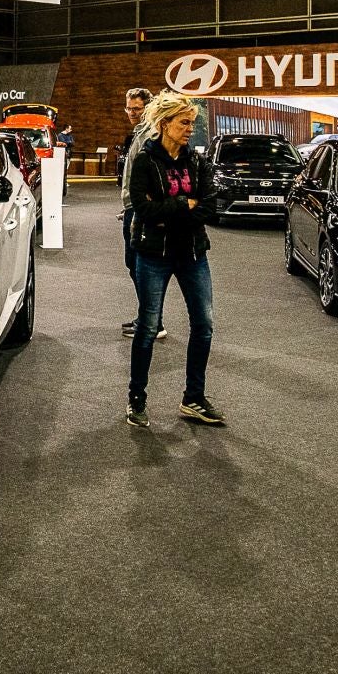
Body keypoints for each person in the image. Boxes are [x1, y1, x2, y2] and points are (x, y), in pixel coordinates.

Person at [125, 90, 223, 429]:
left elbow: (210, 206)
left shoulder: (197, 161)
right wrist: (185, 204)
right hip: (154, 254)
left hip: (193, 252)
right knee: (148, 327)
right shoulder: (146, 160)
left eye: (192, 123)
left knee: (204, 325)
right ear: (165, 124)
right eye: (184, 123)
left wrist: (174, 210)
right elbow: (144, 209)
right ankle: (136, 399)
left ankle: (193, 398)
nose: (190, 130)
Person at [116, 87, 165, 342]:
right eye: (129, 108)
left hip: (139, 210)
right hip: (132, 208)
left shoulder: (150, 135)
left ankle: (153, 322)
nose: (132, 113)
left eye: (137, 108)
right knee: (135, 265)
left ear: (148, 108)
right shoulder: (139, 134)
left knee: (141, 266)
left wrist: (137, 210)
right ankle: (149, 318)